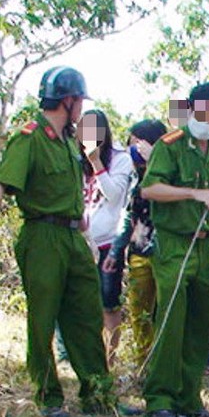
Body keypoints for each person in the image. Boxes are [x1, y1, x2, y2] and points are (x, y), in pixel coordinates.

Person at [0, 66, 131, 417]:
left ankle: (98, 393)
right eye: (79, 102)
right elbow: (3, 180)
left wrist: (86, 234)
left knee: (87, 315)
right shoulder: (30, 137)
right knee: (43, 318)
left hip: (74, 236)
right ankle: (49, 396)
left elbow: (76, 193)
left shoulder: (68, 143)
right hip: (42, 235)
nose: (81, 109)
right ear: (68, 100)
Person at [138, 82, 209, 417]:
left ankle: (189, 398)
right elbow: (150, 188)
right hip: (174, 244)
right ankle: (161, 400)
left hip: (206, 245)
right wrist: (193, 194)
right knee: (171, 321)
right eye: (204, 116)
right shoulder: (169, 146)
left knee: (200, 324)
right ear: (191, 110)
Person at [103, 119, 168, 371]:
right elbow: (128, 215)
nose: (134, 150)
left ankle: (164, 366)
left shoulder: (168, 170)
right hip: (139, 252)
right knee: (139, 314)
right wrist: (117, 250)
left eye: (138, 145)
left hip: (166, 253)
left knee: (164, 314)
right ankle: (145, 365)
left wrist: (155, 161)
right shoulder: (134, 176)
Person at [78, 109, 134, 368]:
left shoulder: (120, 159)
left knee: (109, 303)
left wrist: (97, 163)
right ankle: (88, 359)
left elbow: (114, 196)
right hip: (81, 241)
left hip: (108, 243)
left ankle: (109, 361)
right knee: (84, 305)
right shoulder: (75, 161)